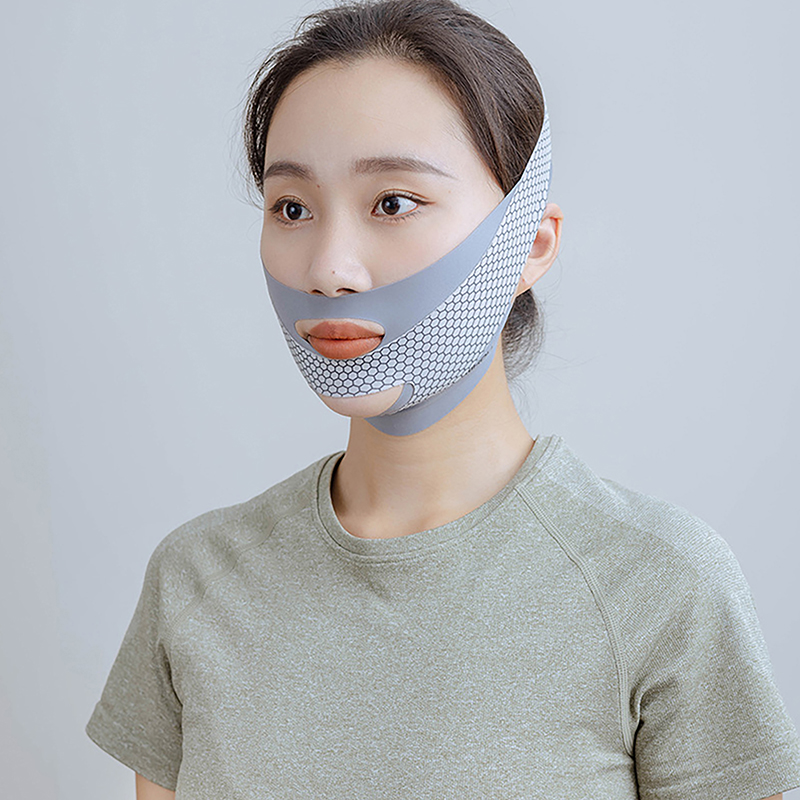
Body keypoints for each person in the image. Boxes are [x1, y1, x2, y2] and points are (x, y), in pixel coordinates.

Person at [85, 1, 800, 798]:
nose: (330, 269)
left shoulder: (662, 586)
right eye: (293, 208)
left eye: (393, 202)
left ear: (531, 244)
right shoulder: (196, 579)